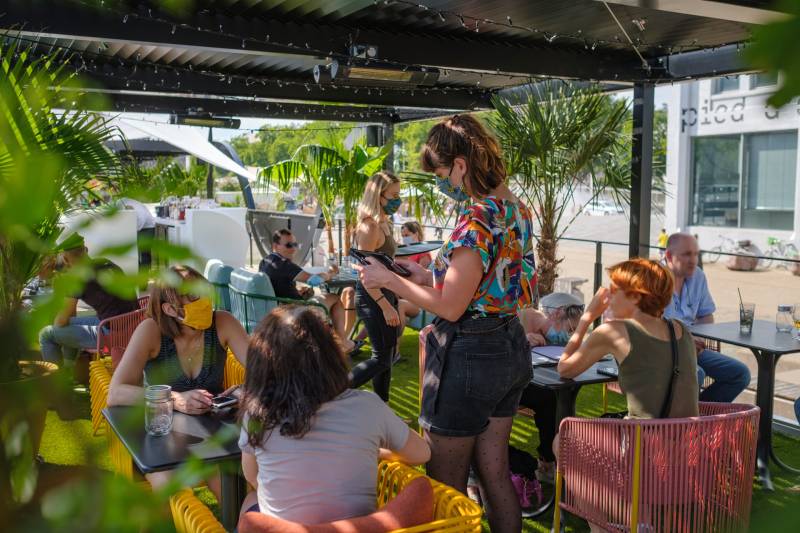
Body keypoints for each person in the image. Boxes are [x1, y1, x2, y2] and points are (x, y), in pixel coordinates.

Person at [355, 114, 536, 533]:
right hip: (509, 345)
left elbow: (451, 308)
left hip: (470, 354)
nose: (442, 183)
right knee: (494, 473)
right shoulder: (515, 209)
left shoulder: (476, 219)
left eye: (440, 174)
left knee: (444, 485)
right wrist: (424, 276)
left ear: (459, 164)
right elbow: (483, 283)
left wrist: (387, 281)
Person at [237, 305, 429, 523]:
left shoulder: (257, 415)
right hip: (358, 527)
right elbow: (421, 453)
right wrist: (377, 452)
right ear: (331, 354)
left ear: (261, 364)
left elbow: (252, 476)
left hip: (282, 527)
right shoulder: (367, 406)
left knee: (250, 498)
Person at [108, 265, 249, 497]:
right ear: (171, 309)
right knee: (170, 490)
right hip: (161, 436)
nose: (205, 300)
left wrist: (243, 391)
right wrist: (175, 399)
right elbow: (116, 393)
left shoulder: (223, 322)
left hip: (212, 434)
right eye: (194, 295)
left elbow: (264, 371)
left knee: (228, 487)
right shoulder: (151, 330)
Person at [557, 258, 699, 420]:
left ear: (635, 297)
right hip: (689, 434)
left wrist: (587, 318)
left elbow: (564, 370)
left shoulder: (613, 332)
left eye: (614, 290)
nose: (608, 296)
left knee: (562, 433)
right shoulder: (681, 328)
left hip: (641, 435)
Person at [350, 172, 419, 401]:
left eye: (399, 194)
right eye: (394, 195)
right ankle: (333, 392)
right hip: (372, 297)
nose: (398, 200)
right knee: (380, 358)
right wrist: (385, 305)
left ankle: (382, 408)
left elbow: (382, 262)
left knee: (386, 357)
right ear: (378, 196)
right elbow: (364, 272)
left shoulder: (385, 223)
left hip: (386, 294)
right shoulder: (369, 227)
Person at [662, 233, 751, 402]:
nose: (693, 260)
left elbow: (706, 315)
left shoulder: (698, 276)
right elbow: (648, 325)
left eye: (696, 254)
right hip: (663, 349)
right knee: (697, 373)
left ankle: (702, 414)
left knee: (740, 374)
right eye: (687, 254)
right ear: (669, 256)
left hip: (692, 348)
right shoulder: (654, 278)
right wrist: (685, 341)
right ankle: (685, 416)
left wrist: (698, 340)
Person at [39, 233, 138, 370]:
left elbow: (60, 321)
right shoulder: (105, 262)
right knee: (69, 323)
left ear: (66, 260)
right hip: (132, 323)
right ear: (85, 249)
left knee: (46, 334)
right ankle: (68, 370)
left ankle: (56, 379)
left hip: (113, 333)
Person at [516, 292, 584, 482]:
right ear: (556, 313)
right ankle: (548, 461)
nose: (569, 336)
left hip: (532, 384)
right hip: (505, 386)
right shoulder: (519, 318)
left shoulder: (548, 334)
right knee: (550, 398)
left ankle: (548, 460)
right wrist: (521, 341)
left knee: (552, 397)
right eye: (570, 329)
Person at [259, 229, 356, 352]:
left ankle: (333, 341)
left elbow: (277, 285)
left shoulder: (265, 262)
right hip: (295, 311)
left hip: (281, 306)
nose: (293, 249)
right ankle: (342, 343)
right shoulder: (283, 264)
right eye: (288, 245)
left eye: (295, 244)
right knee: (335, 298)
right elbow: (315, 280)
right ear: (275, 246)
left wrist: (296, 291)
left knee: (321, 295)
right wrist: (332, 272)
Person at [119, 197, 156, 270]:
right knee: (134, 250)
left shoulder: (140, 215)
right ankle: (137, 268)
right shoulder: (120, 203)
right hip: (139, 226)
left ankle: (145, 272)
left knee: (144, 251)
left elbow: (134, 231)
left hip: (148, 227)